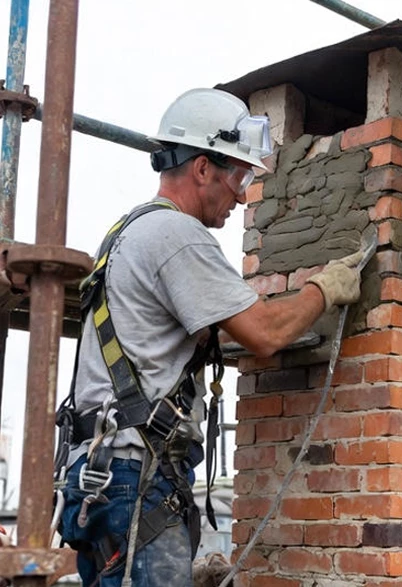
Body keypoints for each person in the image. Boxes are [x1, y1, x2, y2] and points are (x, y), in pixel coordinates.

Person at [53, 88, 365, 586]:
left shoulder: (128, 232)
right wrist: (322, 290)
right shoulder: (179, 236)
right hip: (135, 474)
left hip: (100, 473)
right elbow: (265, 334)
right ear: (202, 169)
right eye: (237, 175)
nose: (242, 194)